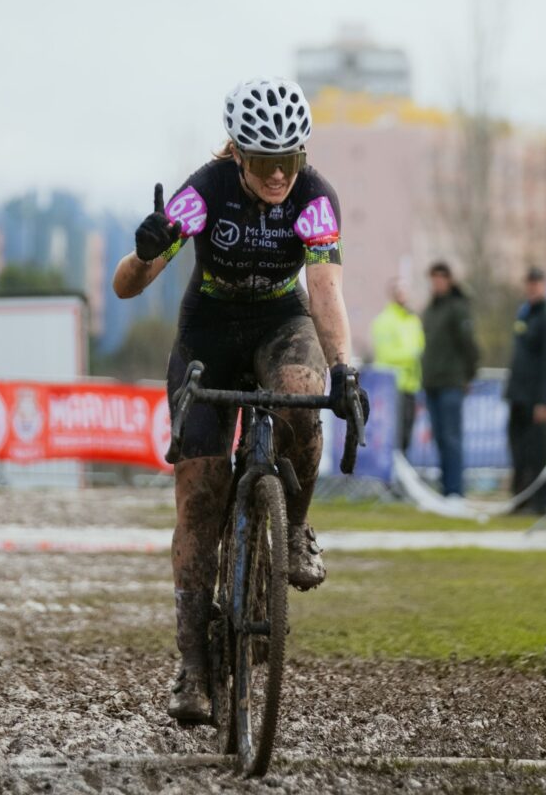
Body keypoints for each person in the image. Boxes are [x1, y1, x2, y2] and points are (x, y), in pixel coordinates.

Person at [110, 77, 364, 725]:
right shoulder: (205, 193)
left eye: (292, 161)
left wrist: (345, 369)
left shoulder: (314, 200)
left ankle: (296, 526)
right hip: (209, 331)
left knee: (305, 399)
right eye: (264, 163)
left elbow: (326, 291)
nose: (280, 175)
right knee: (200, 495)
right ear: (237, 156)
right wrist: (142, 255)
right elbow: (127, 288)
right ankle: (192, 666)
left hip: (282, 322)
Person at [505, 267, 546, 515]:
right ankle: (521, 499)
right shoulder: (525, 314)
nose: (532, 288)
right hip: (518, 395)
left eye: (537, 283)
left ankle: (542, 503)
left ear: (545, 285)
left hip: (536, 398)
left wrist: (545, 401)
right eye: (529, 283)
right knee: (519, 452)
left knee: (539, 452)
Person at [421, 262, 478, 502]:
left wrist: (467, 375)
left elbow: (469, 346)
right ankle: (446, 488)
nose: (437, 283)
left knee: (452, 438)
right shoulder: (431, 310)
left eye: (441, 278)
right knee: (441, 438)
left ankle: (455, 490)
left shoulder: (457, 308)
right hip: (432, 382)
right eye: (433, 279)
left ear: (449, 280)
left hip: (452, 382)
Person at [370, 279, 424, 454]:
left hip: (410, 385)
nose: (403, 294)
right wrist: (412, 356)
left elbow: (422, 347)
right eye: (399, 290)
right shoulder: (384, 321)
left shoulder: (413, 320)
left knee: (406, 436)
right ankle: (390, 479)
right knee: (394, 437)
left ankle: (400, 474)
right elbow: (385, 355)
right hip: (393, 387)